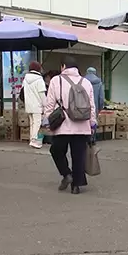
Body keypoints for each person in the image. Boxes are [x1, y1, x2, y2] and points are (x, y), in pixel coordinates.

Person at [43, 56, 96, 195]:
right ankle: (76, 186)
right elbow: (92, 106)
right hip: (82, 125)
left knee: (56, 151)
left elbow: (50, 103)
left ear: (63, 66)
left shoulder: (56, 80)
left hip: (63, 124)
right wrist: (92, 122)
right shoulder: (86, 82)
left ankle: (66, 174)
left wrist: (47, 120)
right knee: (78, 155)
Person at [23, 61, 46, 149]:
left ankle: (31, 139)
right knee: (37, 123)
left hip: (28, 105)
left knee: (32, 123)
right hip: (37, 105)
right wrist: (46, 105)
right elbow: (42, 95)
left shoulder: (25, 79)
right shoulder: (39, 79)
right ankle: (34, 140)